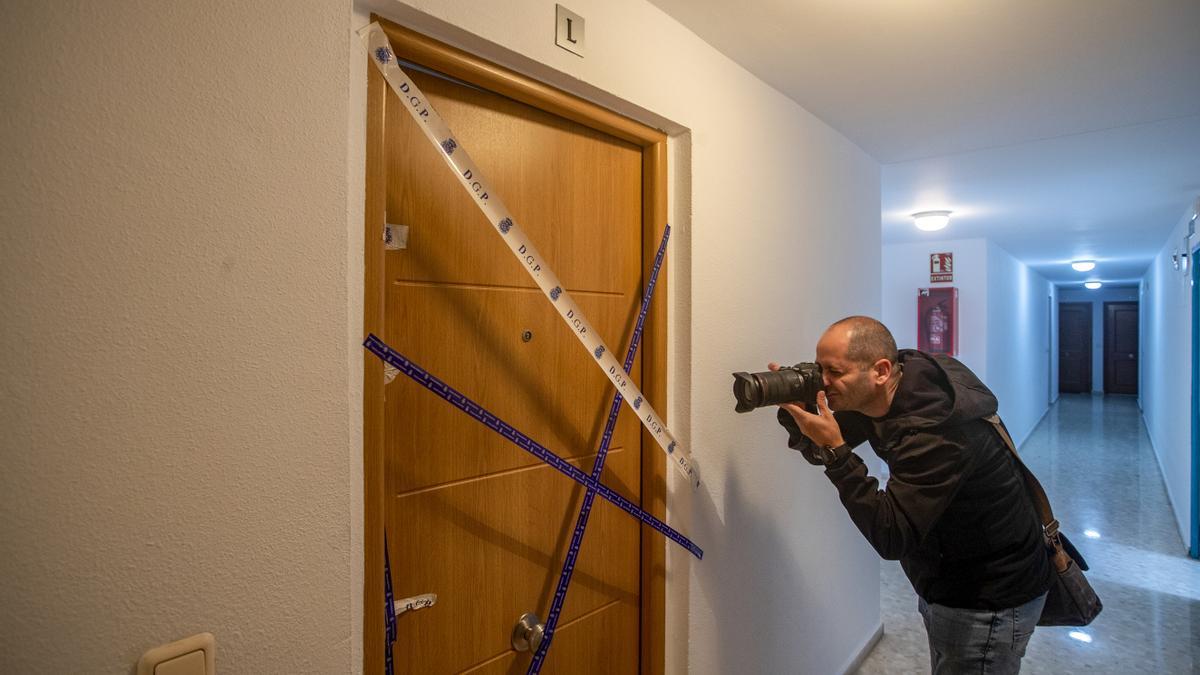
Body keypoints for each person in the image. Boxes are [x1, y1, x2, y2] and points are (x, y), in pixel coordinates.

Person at [774, 316, 1052, 675]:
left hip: (988, 599)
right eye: (818, 369)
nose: (823, 382)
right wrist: (795, 412)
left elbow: (892, 535)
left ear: (881, 370)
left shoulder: (938, 433)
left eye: (834, 372)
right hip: (949, 576)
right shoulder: (893, 391)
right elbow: (820, 447)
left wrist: (836, 451)